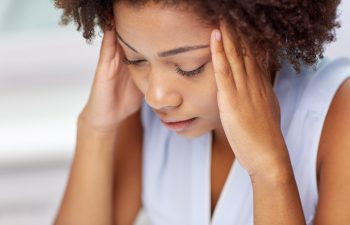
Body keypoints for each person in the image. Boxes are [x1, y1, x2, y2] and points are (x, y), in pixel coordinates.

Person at [53, 0, 350, 224]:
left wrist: (269, 169)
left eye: (189, 67)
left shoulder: (337, 116)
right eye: (136, 60)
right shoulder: (140, 111)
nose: (157, 96)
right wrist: (95, 128)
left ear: (260, 41)